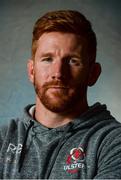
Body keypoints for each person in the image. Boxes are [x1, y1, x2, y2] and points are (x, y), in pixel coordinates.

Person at [0, 10, 121, 179]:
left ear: (93, 73)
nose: (58, 73)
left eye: (73, 61)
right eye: (47, 59)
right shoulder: (3, 138)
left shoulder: (113, 143)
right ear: (31, 71)